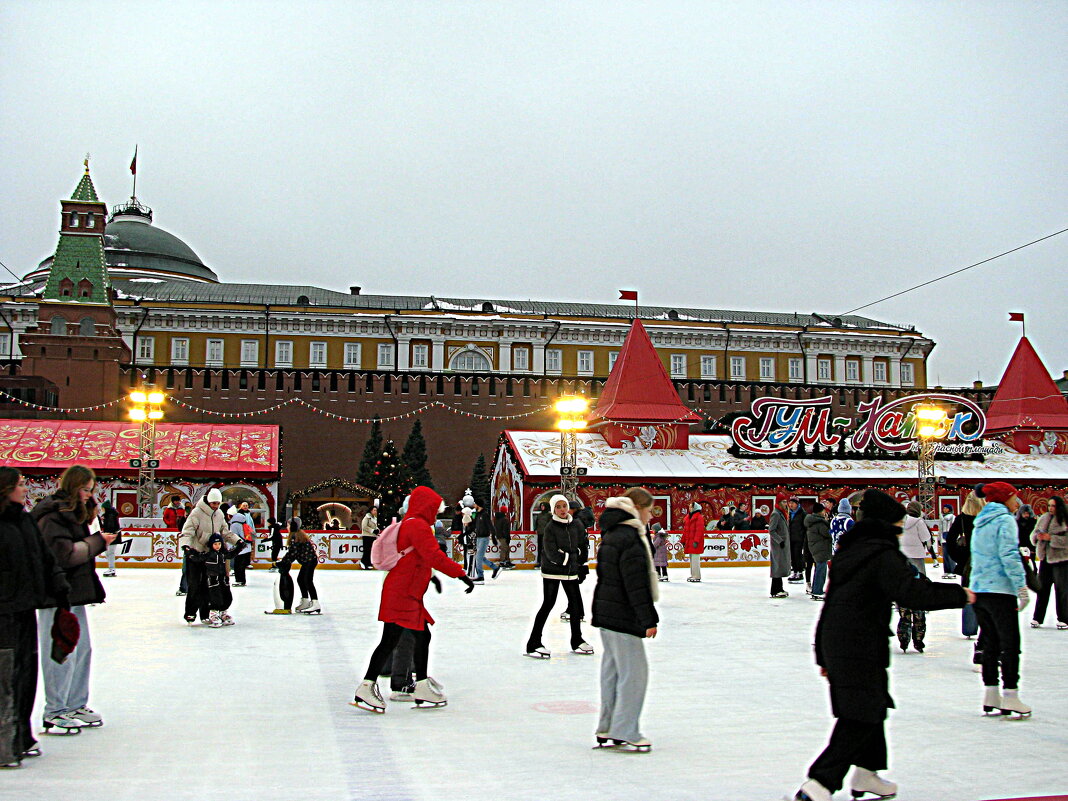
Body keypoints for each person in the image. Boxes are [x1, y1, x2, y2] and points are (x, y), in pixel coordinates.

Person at [792, 489, 971, 801]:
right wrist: (963, 596)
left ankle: (866, 774)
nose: (901, 531)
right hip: (857, 645)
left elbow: (832, 603)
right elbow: (913, 593)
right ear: (887, 525)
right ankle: (819, 784)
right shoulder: (881, 554)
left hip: (844, 642)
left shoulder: (853, 550)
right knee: (860, 716)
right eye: (899, 525)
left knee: (873, 707)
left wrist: (823, 650)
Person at [353, 486, 474, 713]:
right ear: (425, 506)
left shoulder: (412, 524)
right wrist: (461, 574)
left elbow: (421, 559)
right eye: (434, 509)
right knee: (394, 640)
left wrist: (433, 578)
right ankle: (373, 686)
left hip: (406, 591)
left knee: (416, 637)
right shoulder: (417, 525)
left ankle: (417, 685)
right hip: (403, 592)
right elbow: (433, 555)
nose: (436, 514)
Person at [32, 465, 117, 734]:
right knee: (60, 651)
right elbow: (63, 554)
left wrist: (99, 536)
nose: (88, 495)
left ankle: (75, 703)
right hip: (55, 593)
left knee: (82, 649)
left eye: (91, 490)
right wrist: (97, 542)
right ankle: (55, 711)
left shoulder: (76, 514)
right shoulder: (53, 515)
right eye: (84, 489)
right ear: (72, 486)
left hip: (74, 591)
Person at [0, 467, 70, 767]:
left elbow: (44, 557)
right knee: (6, 679)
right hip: (3, 613)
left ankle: (21, 735)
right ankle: (5, 744)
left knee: (25, 675)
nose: (25, 488)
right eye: (20, 484)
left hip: (25, 608)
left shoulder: (24, 520)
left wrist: (59, 585)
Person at [592, 486, 659, 752]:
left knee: (613, 671)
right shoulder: (630, 536)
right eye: (650, 511)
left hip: (608, 613)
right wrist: (647, 618)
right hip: (623, 613)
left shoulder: (612, 532)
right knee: (634, 673)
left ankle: (608, 726)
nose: (651, 517)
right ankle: (626, 729)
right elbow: (636, 582)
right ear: (638, 508)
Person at [970, 482, 1032, 717]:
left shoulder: (980, 522)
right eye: (1014, 497)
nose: (1017, 502)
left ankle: (991, 693)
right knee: (1009, 644)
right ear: (1005, 498)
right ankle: (1011, 695)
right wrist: (1021, 587)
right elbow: (1009, 555)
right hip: (1000, 591)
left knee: (990, 644)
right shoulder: (1005, 520)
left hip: (980, 590)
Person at [524, 494, 593, 658]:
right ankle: (533, 643)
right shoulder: (550, 527)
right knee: (548, 604)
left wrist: (581, 564)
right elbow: (550, 552)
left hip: (571, 572)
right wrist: (570, 559)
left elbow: (582, 545)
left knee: (575, 605)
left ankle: (577, 640)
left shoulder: (576, 524)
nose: (562, 510)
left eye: (564, 506)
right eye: (558, 507)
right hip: (552, 572)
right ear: (554, 509)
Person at [179, 488, 238, 625]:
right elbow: (187, 531)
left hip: (210, 556)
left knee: (208, 586)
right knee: (194, 585)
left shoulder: (219, 514)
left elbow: (225, 531)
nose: (216, 506)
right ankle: (190, 613)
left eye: (218, 503)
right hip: (196, 553)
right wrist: (186, 547)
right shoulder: (197, 513)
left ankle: (205, 613)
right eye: (213, 503)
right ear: (208, 501)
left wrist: (237, 540)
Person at [896, 501, 934, 653]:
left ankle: (903, 637)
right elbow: (926, 539)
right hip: (917, 557)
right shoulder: (919, 522)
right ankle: (918, 639)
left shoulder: (900, 522)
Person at [1031, 495, 1067, 629]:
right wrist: (1037, 537)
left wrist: (1051, 538)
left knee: (1062, 590)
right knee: (1042, 588)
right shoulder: (1043, 518)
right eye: (1049, 505)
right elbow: (1033, 534)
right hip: (1045, 559)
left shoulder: (1064, 519)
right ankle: (1037, 617)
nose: (1051, 508)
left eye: (1053, 506)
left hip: (1061, 559)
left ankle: (1064, 618)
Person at [189, 533, 241, 627]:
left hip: (223, 579)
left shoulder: (223, 554)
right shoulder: (209, 555)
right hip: (213, 579)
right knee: (215, 598)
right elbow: (198, 558)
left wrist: (240, 546)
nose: (217, 546)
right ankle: (214, 615)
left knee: (227, 597)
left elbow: (232, 554)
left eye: (219, 544)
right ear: (211, 545)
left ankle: (222, 613)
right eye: (215, 544)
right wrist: (190, 553)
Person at [271, 522, 321, 614]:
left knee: (307, 581)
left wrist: (283, 561)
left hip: (309, 561)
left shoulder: (295, 536)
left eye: (288, 525)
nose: (287, 527)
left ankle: (315, 603)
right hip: (308, 561)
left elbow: (292, 553)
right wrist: (284, 561)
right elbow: (293, 553)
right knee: (300, 580)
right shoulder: (298, 534)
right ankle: (305, 601)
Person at [465, 499, 500, 584]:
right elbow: (474, 525)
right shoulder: (477, 514)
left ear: (478, 505)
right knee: (480, 557)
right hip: (478, 538)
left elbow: (490, 526)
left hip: (484, 538)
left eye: (475, 503)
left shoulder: (484, 515)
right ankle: (495, 568)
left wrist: (494, 537)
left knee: (478, 557)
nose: (474, 505)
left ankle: (480, 576)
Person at [805, 503, 832, 601]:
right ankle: (817, 591)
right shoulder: (819, 523)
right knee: (821, 570)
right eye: (823, 510)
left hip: (816, 548)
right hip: (820, 549)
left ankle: (816, 590)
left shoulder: (813, 521)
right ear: (820, 511)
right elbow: (828, 534)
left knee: (819, 570)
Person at [768, 494, 791, 598]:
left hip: (782, 545)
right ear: (778, 502)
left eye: (786, 502)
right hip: (778, 545)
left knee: (780, 566)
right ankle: (775, 590)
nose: (785, 504)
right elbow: (771, 530)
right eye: (783, 502)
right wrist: (780, 540)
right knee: (777, 566)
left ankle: (779, 588)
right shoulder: (776, 514)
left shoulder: (782, 513)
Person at [228, 502, 255, 586]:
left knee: (238, 565)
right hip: (247, 546)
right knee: (241, 566)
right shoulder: (243, 522)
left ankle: (240, 580)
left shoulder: (234, 525)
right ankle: (242, 580)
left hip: (240, 548)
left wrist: (230, 547)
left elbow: (233, 537)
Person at [681, 502, 704, 583]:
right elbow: (685, 530)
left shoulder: (699, 517)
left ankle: (696, 575)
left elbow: (699, 531)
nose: (689, 508)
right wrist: (683, 540)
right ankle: (693, 574)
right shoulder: (688, 518)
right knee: (692, 558)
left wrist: (696, 541)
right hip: (689, 541)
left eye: (691, 507)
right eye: (689, 507)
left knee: (695, 559)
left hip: (695, 542)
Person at [100, 499, 121, 578]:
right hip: (112, 536)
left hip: (112, 536)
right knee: (109, 553)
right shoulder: (109, 515)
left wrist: (107, 534)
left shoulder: (109, 516)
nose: (102, 510)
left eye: (102, 508)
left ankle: (111, 569)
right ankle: (111, 568)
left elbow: (110, 526)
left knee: (110, 553)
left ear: (105, 508)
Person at [787, 498, 807, 585]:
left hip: (799, 538)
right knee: (792, 555)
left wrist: (804, 538)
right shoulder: (789, 513)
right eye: (789, 503)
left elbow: (805, 526)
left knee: (797, 555)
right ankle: (795, 571)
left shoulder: (802, 513)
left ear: (797, 504)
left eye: (792, 503)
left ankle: (800, 572)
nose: (790, 505)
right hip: (790, 538)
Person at [940, 503, 958, 577]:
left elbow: (954, 528)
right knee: (945, 556)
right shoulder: (942, 518)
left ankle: (953, 571)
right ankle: (946, 570)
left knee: (950, 555)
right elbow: (940, 529)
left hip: (950, 539)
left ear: (949, 509)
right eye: (944, 508)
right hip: (943, 539)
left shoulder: (953, 517)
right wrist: (939, 538)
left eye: (946, 508)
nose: (944, 509)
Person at [360, 505, 379, 570]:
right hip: (367, 536)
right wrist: (373, 530)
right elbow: (364, 526)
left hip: (372, 536)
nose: (375, 511)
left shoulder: (374, 518)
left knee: (371, 550)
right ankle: (363, 562)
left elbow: (375, 526)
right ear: (371, 511)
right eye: (374, 510)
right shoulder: (367, 517)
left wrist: (377, 530)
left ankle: (368, 563)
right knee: (367, 550)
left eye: (376, 510)